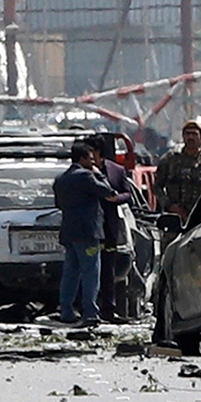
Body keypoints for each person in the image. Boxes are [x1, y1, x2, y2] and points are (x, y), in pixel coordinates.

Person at [52, 141, 117, 327]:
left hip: (69, 233)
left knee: (71, 272)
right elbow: (108, 191)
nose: (93, 162)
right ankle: (90, 312)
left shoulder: (61, 179)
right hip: (88, 233)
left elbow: (59, 204)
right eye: (90, 158)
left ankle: (66, 310)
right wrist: (99, 174)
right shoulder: (86, 176)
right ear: (82, 159)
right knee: (90, 272)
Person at [84, 136, 132, 324]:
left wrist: (116, 198)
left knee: (108, 270)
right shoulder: (82, 171)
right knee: (88, 269)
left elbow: (127, 193)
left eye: (93, 153)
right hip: (88, 229)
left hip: (109, 228)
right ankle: (87, 308)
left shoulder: (116, 170)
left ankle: (108, 310)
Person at [154, 120, 201, 232]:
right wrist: (169, 205)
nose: (191, 137)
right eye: (187, 134)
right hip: (175, 218)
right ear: (183, 136)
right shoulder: (170, 159)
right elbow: (157, 187)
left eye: (194, 134)